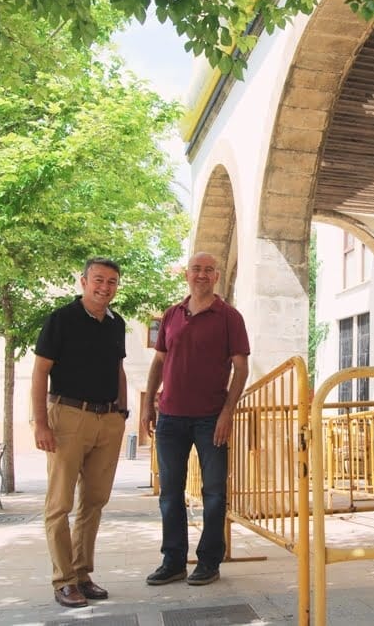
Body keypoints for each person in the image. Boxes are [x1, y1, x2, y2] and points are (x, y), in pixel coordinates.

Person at [142, 251, 250, 588]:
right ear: (187, 274)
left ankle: (209, 562)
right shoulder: (172, 314)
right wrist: (149, 404)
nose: (201, 275)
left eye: (208, 270)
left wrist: (227, 413)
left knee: (214, 493)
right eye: (196, 269)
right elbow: (159, 361)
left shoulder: (229, 316)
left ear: (216, 277)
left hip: (209, 419)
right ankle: (173, 561)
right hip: (171, 418)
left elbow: (241, 367)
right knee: (170, 493)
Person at [32, 257, 129, 609]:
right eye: (99, 280)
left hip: (108, 420)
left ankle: (82, 574)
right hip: (68, 416)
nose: (105, 287)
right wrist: (41, 423)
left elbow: (119, 368)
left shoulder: (116, 324)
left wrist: (122, 410)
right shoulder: (61, 320)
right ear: (83, 281)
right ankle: (63, 580)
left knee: (94, 501)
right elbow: (40, 372)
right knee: (60, 504)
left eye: (112, 282)